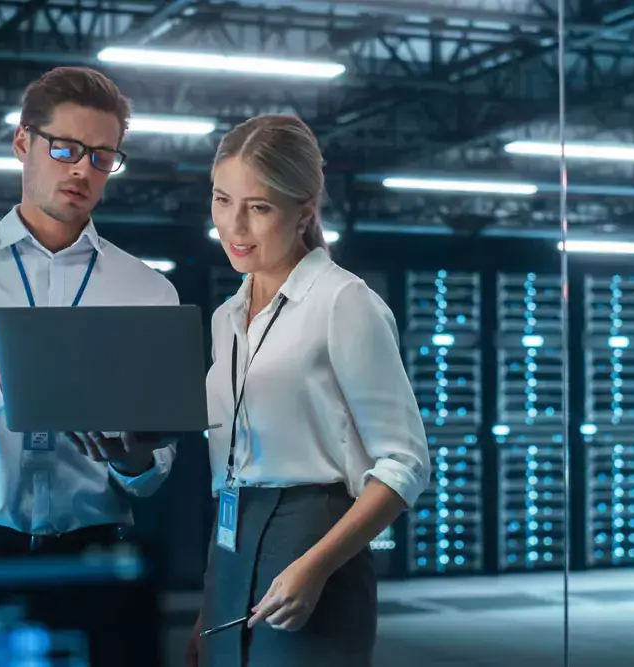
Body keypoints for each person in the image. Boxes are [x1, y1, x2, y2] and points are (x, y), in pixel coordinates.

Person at [0, 66, 178, 556]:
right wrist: (4, 381)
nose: (82, 170)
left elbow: (151, 478)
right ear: (23, 142)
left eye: (102, 158)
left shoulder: (148, 290)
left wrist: (133, 459)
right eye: (64, 149)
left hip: (98, 555)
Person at [187, 114, 431, 667]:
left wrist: (315, 565)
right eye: (222, 200)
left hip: (312, 542)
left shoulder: (343, 302)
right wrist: (211, 603)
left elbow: (405, 463)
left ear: (305, 211)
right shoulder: (227, 317)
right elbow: (230, 466)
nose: (235, 226)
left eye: (259, 207)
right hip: (230, 543)